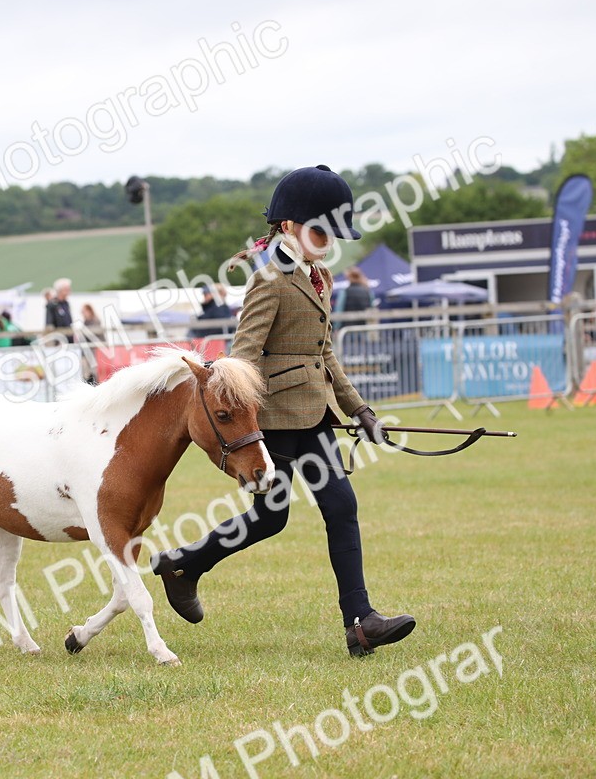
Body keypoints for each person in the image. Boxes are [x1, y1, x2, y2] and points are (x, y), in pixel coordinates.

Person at [150, 165, 415, 658]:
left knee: (340, 507)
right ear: (289, 226)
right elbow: (244, 357)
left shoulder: (321, 278)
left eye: (333, 235)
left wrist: (360, 409)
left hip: (314, 417)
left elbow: (324, 353)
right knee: (271, 519)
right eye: (320, 231)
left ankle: (361, 623)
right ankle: (183, 564)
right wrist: (242, 422)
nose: (328, 243)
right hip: (271, 422)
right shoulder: (269, 281)